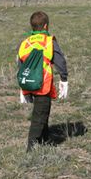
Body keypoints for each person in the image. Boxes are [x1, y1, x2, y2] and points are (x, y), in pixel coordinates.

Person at [17, 11, 68, 152]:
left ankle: (45, 139)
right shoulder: (49, 42)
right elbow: (60, 61)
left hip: (28, 83)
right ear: (46, 26)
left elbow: (20, 64)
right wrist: (64, 79)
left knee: (43, 111)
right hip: (42, 84)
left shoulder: (25, 43)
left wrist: (22, 88)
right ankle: (31, 148)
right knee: (39, 115)